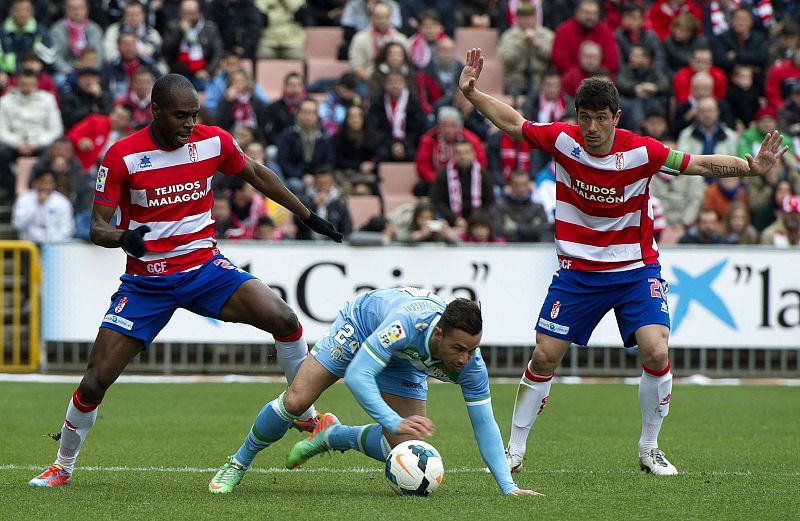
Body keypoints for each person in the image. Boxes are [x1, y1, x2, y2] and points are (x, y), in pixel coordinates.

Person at [458, 48, 787, 476]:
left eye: (601, 118)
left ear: (616, 116)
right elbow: (513, 122)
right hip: (578, 273)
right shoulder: (562, 140)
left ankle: (649, 448)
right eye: (584, 117)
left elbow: (700, 164)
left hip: (635, 271)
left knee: (655, 350)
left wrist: (750, 166)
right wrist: (472, 92)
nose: (591, 128)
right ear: (576, 115)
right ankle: (514, 449)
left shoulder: (643, 152)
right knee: (543, 357)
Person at [28, 73, 344, 488]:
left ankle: (303, 413)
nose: (189, 125)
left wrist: (306, 216)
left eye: (194, 115)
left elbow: (256, 173)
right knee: (95, 380)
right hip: (147, 285)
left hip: (206, 271)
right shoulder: (122, 157)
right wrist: (125, 238)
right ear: (155, 110)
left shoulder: (211, 140)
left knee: (284, 320)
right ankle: (62, 466)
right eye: (180, 116)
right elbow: (96, 229)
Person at [208, 287, 539, 496]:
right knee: (297, 401)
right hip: (362, 329)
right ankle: (237, 463)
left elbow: (484, 423)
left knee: (409, 448)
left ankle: (331, 435)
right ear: (438, 334)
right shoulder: (406, 325)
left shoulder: (471, 364)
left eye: (472, 349)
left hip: (401, 360)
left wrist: (509, 488)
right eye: (459, 348)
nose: (464, 359)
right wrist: (391, 420)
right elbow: (358, 375)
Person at [11, 169, 74, 243]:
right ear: (35, 182)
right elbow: (17, 224)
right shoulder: (24, 199)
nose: (46, 186)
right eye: (43, 181)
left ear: (55, 184)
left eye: (50, 182)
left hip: (56, 246)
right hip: (29, 245)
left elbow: (67, 229)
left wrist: (52, 243)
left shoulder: (63, 202)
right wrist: (36, 205)